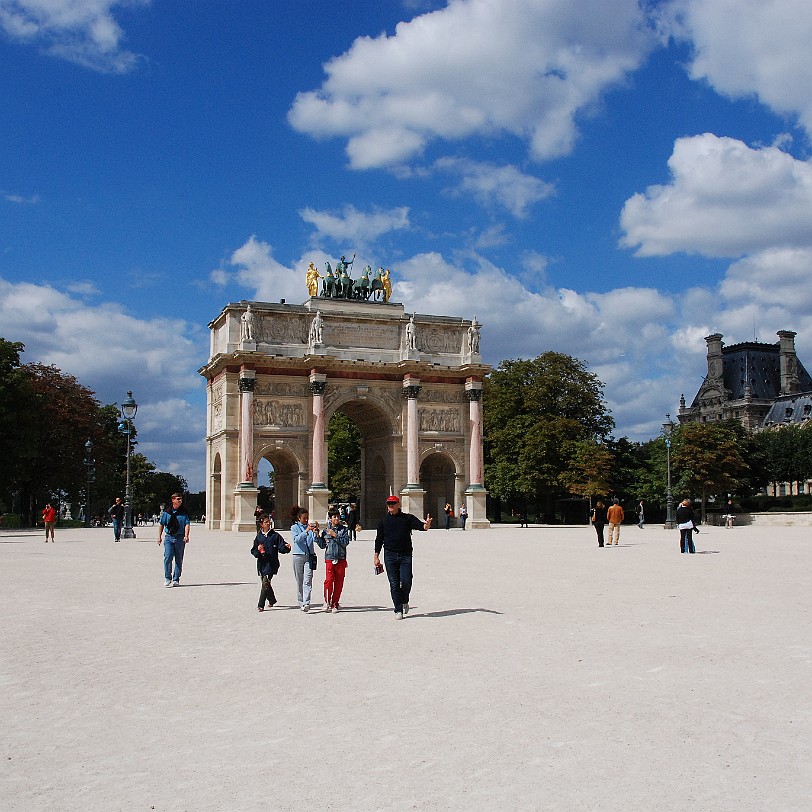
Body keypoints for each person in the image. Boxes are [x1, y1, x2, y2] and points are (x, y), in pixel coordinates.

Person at [374, 495, 432, 619]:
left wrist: (427, 525)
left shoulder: (407, 518)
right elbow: (379, 539)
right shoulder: (383, 521)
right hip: (389, 555)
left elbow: (422, 527)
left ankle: (405, 599)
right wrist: (376, 556)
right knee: (394, 584)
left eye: (392, 503)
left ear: (398, 504)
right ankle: (398, 609)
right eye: (388, 504)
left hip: (405, 555)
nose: (390, 506)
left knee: (406, 581)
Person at [251, 514, 290, 612]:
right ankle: (272, 599)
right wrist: (258, 550)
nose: (268, 523)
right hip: (261, 563)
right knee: (266, 584)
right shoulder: (259, 537)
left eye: (269, 522)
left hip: (272, 564)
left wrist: (286, 548)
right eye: (266, 522)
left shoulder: (275, 535)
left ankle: (261, 605)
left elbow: (281, 547)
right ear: (261, 524)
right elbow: (253, 550)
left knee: (265, 583)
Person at [315, 510, 350, 612]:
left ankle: (335, 603)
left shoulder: (344, 530)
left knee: (339, 582)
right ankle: (327, 601)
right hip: (330, 558)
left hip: (341, 558)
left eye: (338, 517)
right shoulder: (326, 531)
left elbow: (345, 542)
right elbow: (322, 545)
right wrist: (317, 535)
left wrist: (335, 535)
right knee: (329, 580)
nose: (336, 519)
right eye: (334, 517)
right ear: (330, 518)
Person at [157, 493, 191, 587]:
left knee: (178, 559)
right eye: (178, 499)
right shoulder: (167, 513)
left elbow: (187, 524)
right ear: (173, 500)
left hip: (180, 538)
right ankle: (168, 578)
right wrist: (159, 536)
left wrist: (186, 535)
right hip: (169, 537)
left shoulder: (184, 513)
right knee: (168, 557)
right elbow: (161, 524)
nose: (180, 501)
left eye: (181, 499)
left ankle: (176, 579)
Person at [290, 506, 319, 612]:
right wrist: (306, 531)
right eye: (304, 518)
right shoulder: (294, 528)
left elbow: (315, 540)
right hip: (298, 555)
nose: (306, 520)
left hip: (309, 556)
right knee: (299, 580)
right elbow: (296, 539)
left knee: (308, 580)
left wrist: (316, 533)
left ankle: (306, 602)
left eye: (307, 518)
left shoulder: (310, 528)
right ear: (299, 518)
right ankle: (301, 601)